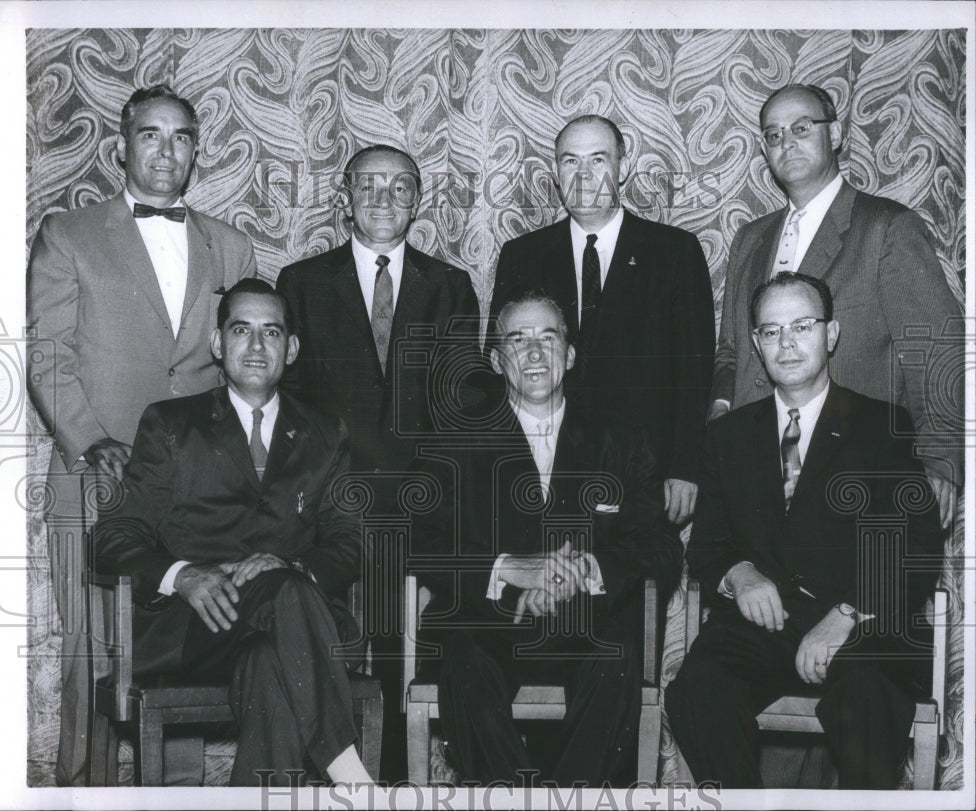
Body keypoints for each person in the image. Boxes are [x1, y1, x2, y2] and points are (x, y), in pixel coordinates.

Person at [26, 84, 256, 786]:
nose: (166, 151)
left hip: (198, 486)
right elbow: (46, 352)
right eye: (150, 135)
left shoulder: (231, 243)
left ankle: (179, 793)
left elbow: (245, 363)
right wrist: (92, 441)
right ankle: (80, 788)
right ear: (119, 146)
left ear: (196, 151)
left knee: (181, 638)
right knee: (94, 654)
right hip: (100, 472)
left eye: (181, 136)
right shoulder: (69, 234)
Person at [666, 272, 943, 789]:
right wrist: (739, 574)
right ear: (755, 343)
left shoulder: (882, 426)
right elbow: (707, 545)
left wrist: (845, 616)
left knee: (867, 693)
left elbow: (916, 547)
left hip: (860, 626)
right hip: (762, 628)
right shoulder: (728, 436)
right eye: (770, 331)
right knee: (695, 690)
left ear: (831, 334)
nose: (786, 344)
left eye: (802, 326)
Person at [92, 279, 372, 787]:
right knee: (285, 593)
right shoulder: (171, 423)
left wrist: (294, 567)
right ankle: (350, 773)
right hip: (194, 629)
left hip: (286, 631)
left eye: (272, 332)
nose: (258, 345)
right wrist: (182, 576)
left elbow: (350, 542)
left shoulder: (325, 434)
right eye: (242, 329)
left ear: (292, 349)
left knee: (271, 657)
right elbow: (112, 536)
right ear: (219, 344)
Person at [412, 290, 682, 785]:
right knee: (464, 663)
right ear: (496, 360)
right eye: (517, 339)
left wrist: (585, 571)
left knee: (617, 657)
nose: (534, 353)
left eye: (548, 337)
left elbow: (660, 545)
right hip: (487, 619)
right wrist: (510, 567)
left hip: (587, 619)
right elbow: (419, 539)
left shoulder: (617, 437)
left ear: (571, 354)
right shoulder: (457, 436)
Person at [275, 144, 481, 781]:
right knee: (318, 637)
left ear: (417, 200)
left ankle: (387, 782)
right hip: (332, 504)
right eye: (368, 185)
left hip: (417, 510)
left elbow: (459, 408)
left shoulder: (450, 286)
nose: (384, 199)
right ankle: (325, 775)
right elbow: (294, 409)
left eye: (399, 187)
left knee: (403, 649)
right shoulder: (302, 283)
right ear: (345, 197)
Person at [710, 83, 962, 527]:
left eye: (802, 128)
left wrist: (940, 460)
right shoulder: (750, 238)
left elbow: (937, 348)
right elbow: (731, 350)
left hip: (855, 471)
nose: (786, 142)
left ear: (837, 133)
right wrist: (720, 413)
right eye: (773, 134)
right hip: (754, 477)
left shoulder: (887, 228)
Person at [490, 115, 715, 526]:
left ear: (622, 167)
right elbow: (502, 364)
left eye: (598, 159)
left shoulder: (674, 252)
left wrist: (685, 466)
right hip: (545, 470)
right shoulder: (522, 254)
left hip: (644, 470)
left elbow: (695, 368)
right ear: (556, 172)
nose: (584, 175)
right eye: (570, 161)